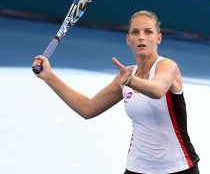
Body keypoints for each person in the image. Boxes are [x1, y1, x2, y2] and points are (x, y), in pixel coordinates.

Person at [32, 10, 199, 174]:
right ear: (128, 40)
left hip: (180, 168)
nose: (141, 37)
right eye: (135, 32)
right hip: (137, 168)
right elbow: (88, 108)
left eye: (148, 32)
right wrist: (49, 77)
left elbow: (158, 90)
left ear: (158, 38)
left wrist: (131, 81)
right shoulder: (125, 76)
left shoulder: (167, 66)